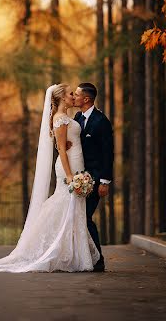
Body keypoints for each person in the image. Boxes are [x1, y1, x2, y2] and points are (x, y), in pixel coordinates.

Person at [0, 84, 100, 273]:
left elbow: (71, 141)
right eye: (70, 94)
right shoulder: (60, 119)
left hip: (78, 163)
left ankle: (72, 254)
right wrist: (69, 175)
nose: (73, 97)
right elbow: (61, 148)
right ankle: (49, 248)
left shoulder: (68, 118)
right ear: (60, 98)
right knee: (65, 204)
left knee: (74, 208)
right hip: (69, 167)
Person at [74, 82, 114, 272]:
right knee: (79, 217)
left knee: (86, 217)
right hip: (79, 177)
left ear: (86, 99)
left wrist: (105, 181)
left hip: (96, 178)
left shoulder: (101, 121)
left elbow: (108, 153)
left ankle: (98, 260)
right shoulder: (77, 117)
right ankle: (85, 258)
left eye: (77, 94)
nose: (74, 97)